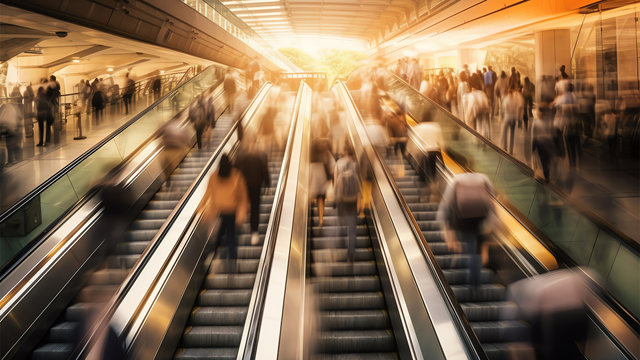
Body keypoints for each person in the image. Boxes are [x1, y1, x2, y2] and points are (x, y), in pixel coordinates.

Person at [437, 172, 497, 292]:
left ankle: (457, 269)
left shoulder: (456, 179)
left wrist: (446, 229)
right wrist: (491, 225)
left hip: (461, 220)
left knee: (464, 244)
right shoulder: (484, 178)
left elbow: (445, 205)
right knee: (474, 249)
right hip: (479, 220)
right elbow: (492, 205)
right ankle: (475, 285)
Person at [202, 154, 248, 272]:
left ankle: (212, 256)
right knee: (231, 237)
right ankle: (232, 262)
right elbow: (243, 196)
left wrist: (200, 208)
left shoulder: (214, 176)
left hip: (219, 212)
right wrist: (243, 212)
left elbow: (207, 194)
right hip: (232, 212)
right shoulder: (236, 175)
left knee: (218, 236)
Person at [235, 140, 270, 245]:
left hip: (244, 185)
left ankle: (239, 225)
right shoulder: (260, 156)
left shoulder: (241, 156)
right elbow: (264, 169)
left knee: (243, 204)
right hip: (256, 185)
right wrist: (267, 183)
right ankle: (254, 233)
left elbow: (235, 170)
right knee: (255, 207)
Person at [334, 145, 362, 264]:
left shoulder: (338, 163)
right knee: (352, 229)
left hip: (341, 198)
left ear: (345, 151)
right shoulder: (356, 164)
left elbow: (335, 181)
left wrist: (335, 198)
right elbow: (359, 185)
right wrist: (360, 203)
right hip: (353, 200)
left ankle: (341, 244)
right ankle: (351, 255)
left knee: (340, 223)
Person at [309, 139, 334, 228]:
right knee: (320, 199)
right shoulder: (326, 152)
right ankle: (320, 221)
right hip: (323, 177)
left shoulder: (311, 153)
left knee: (313, 199)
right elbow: (332, 164)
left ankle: (313, 219)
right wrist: (330, 177)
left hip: (313, 177)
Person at [160, 117, 190, 187]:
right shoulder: (179, 124)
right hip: (177, 148)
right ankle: (178, 174)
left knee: (166, 165)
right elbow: (184, 135)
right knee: (176, 162)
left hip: (167, 148)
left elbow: (159, 133)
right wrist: (187, 144)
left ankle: (168, 180)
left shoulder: (167, 125)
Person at [501, 82, 524, 155]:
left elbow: (504, 107)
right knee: (512, 133)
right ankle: (510, 151)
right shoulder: (517, 97)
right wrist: (519, 117)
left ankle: (504, 149)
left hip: (507, 117)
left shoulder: (507, 97)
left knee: (505, 133)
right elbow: (519, 107)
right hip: (514, 117)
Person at [466, 75, 491, 139]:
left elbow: (469, 114)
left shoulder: (470, 96)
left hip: (476, 128)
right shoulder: (482, 94)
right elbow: (488, 109)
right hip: (484, 128)